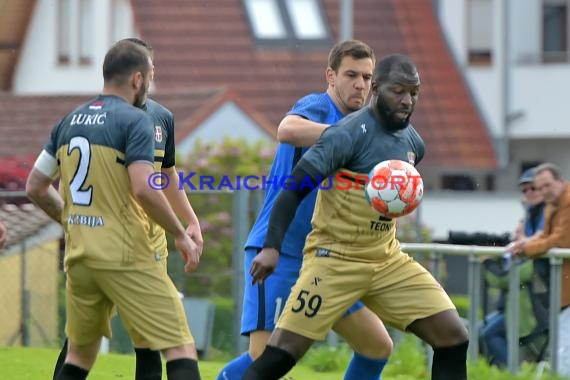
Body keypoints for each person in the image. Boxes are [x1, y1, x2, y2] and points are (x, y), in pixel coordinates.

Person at [243, 53, 469, 380]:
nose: (407, 100)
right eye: (398, 91)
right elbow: (291, 190)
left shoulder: (413, 144)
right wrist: (271, 247)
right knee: (278, 357)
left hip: (386, 260)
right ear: (376, 88)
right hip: (334, 260)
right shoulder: (346, 134)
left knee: (453, 337)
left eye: (414, 92)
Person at [25, 39, 202, 380]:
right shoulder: (135, 121)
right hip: (126, 254)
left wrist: (71, 219)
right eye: (150, 74)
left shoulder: (68, 121)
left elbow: (35, 186)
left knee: (79, 356)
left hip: (80, 254)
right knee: (179, 347)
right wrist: (180, 233)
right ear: (138, 79)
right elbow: (143, 187)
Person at [217, 40, 393, 380]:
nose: (360, 84)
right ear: (330, 75)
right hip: (278, 253)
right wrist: (346, 136)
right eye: (351, 75)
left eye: (367, 77)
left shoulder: (369, 130)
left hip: (327, 262)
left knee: (377, 345)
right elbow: (287, 129)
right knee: (266, 360)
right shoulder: (316, 106)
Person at [479, 167, 546, 367]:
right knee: (479, 331)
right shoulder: (532, 214)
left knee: (490, 334)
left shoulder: (547, 214)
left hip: (537, 307)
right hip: (520, 303)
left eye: (532, 188)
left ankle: (510, 373)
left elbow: (512, 275)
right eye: (524, 190)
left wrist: (490, 262)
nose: (529, 194)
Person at [508, 162, 570, 376]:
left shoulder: (567, 202)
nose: (544, 191)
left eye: (547, 186)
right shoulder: (554, 203)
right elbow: (546, 236)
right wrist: (524, 245)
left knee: (564, 350)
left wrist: (525, 247)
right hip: (564, 287)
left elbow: (561, 240)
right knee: (562, 346)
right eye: (540, 187)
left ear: (561, 182)